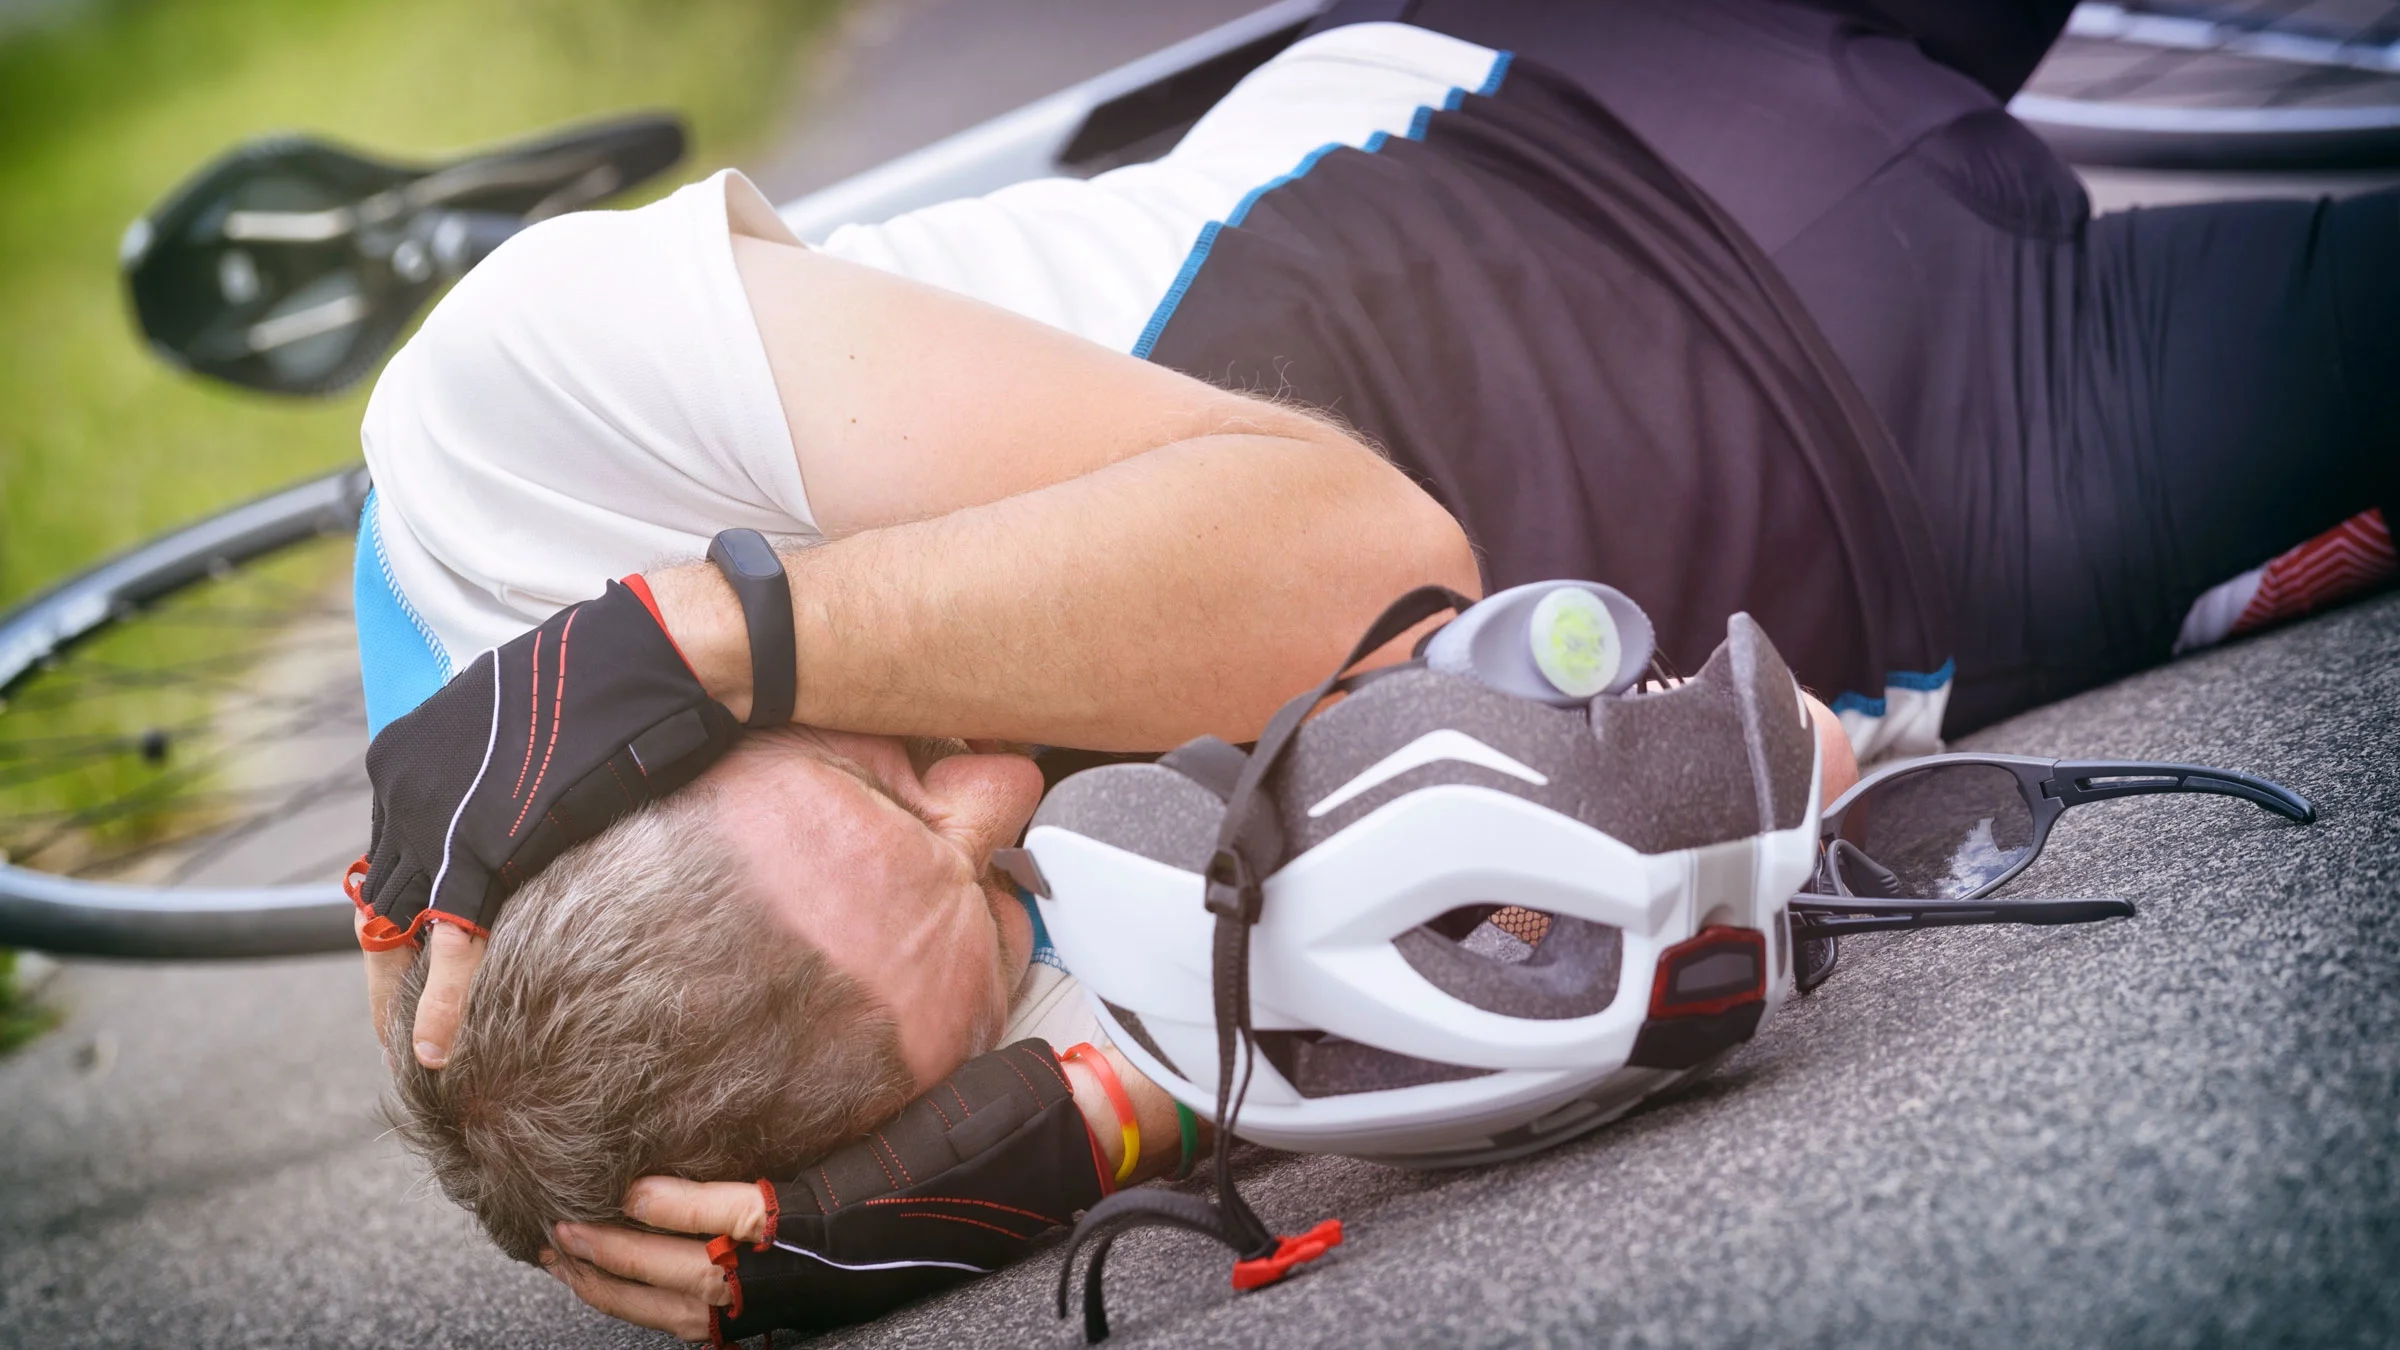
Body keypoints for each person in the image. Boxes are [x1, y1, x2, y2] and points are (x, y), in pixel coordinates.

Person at [352, 0, 2397, 1339]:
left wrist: (712, 633)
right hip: (1948, 483)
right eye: (988, 903)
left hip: (1577, 70)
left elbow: (1351, 543)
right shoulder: (926, 1058)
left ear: (599, 748)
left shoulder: (496, 453)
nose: (1005, 809)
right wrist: (1070, 1141)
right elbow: (1459, 973)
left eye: (879, 768)